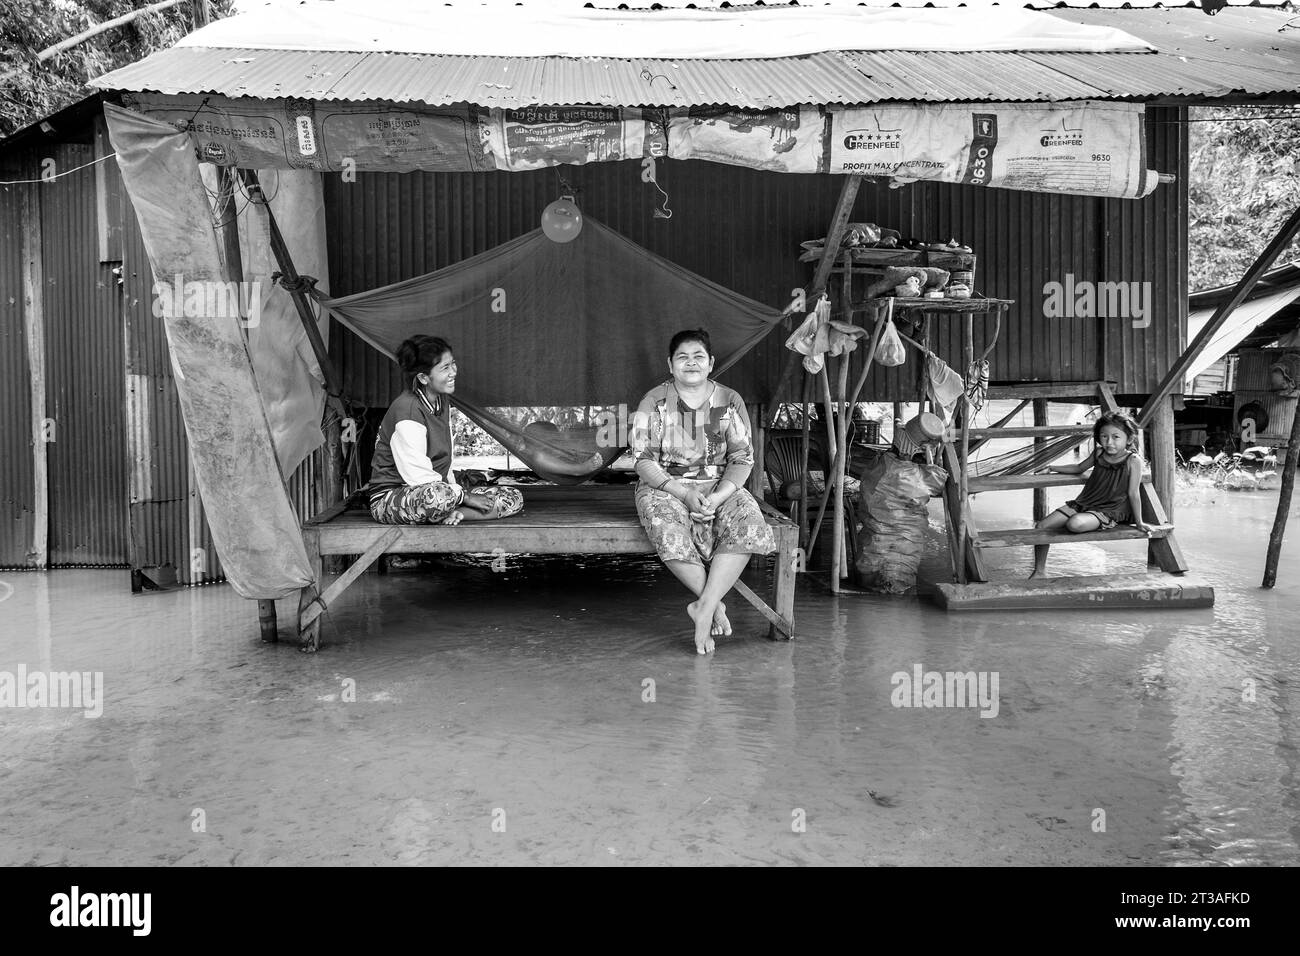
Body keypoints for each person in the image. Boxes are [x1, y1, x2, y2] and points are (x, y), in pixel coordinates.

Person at [631, 328, 776, 655]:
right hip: (665, 486)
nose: (691, 363)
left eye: (698, 357)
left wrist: (717, 496)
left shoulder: (730, 400)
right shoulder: (653, 402)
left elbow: (743, 458)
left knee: (750, 522)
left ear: (711, 363)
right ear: (670, 364)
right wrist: (683, 494)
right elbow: (642, 459)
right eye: (682, 357)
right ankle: (715, 606)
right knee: (665, 524)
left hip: (720, 486)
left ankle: (704, 606)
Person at [367, 334, 523, 525]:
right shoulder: (406, 410)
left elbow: (445, 461)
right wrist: (463, 496)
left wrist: (456, 493)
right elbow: (419, 477)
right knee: (438, 497)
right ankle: (448, 507)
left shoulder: (441, 401)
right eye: (445, 368)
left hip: (442, 491)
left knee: (512, 497)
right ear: (424, 378)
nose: (453, 372)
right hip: (394, 497)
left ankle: (457, 515)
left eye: (453, 364)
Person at [1030, 410, 1152, 577]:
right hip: (1084, 503)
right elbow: (1079, 468)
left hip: (1108, 510)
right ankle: (1039, 572)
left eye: (1116, 437)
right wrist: (1051, 468)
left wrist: (1139, 522)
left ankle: (1094, 522)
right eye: (1104, 437)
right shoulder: (1099, 453)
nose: (1109, 442)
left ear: (1129, 439)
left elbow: (1133, 493)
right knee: (1042, 526)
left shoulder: (1133, 461)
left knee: (1074, 524)